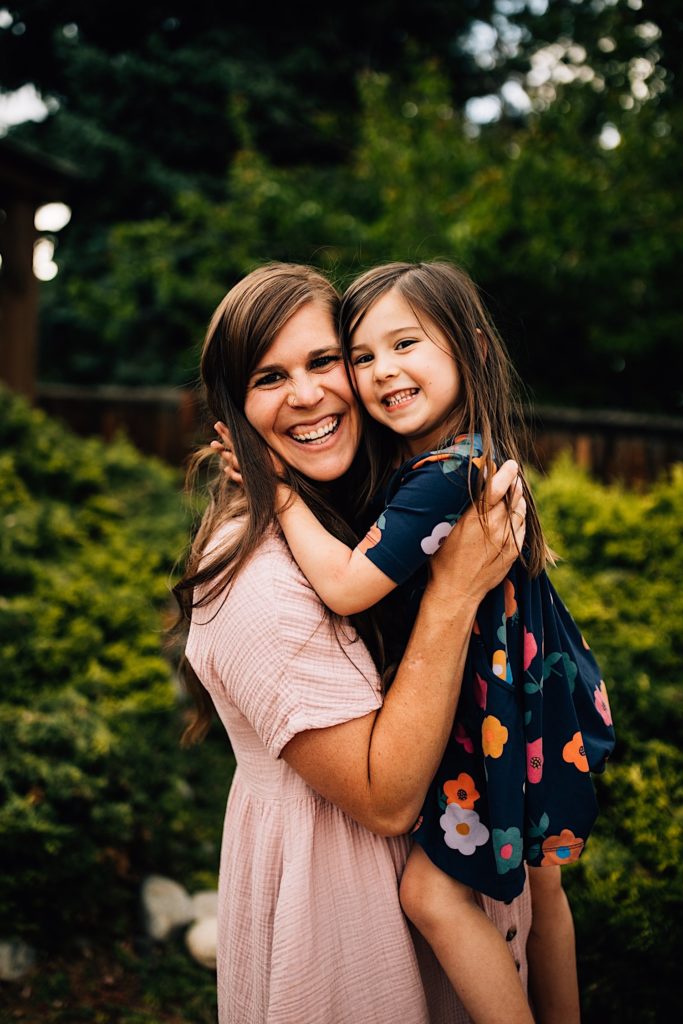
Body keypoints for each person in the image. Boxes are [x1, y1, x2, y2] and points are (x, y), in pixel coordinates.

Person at [175, 263, 531, 1024]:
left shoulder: (382, 506)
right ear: (231, 411)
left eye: (324, 361)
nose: (307, 395)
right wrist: (455, 592)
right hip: (338, 919)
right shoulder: (257, 581)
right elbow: (384, 797)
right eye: (269, 377)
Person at [261, 261, 616, 1024]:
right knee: (542, 883)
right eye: (361, 356)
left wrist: (280, 495)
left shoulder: (444, 476)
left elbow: (348, 587)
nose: (382, 370)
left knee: (430, 892)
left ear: (474, 350)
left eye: (405, 344)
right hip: (534, 699)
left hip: (495, 710)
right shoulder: (455, 457)